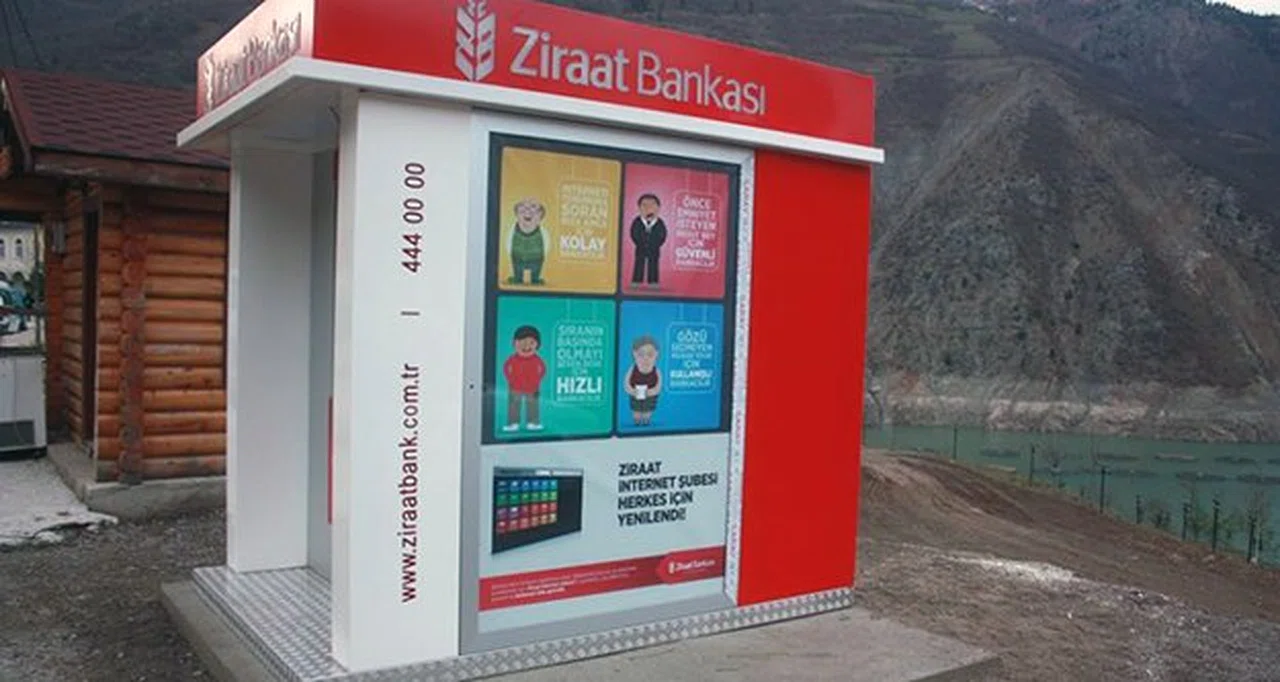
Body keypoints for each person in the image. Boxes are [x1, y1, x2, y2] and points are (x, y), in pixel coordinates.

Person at [503, 325, 546, 432]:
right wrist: (510, 379)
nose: (526, 346)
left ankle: (533, 422)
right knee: (514, 404)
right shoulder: (513, 359)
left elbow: (543, 369)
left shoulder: (537, 359)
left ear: (537, 345)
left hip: (533, 386)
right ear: (514, 344)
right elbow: (506, 368)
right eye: (522, 342)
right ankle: (513, 423)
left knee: (533, 405)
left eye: (531, 343)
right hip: (515, 386)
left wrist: (537, 380)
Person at [507, 198, 550, 286]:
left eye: (533, 207)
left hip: (536, 258)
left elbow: (546, 245)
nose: (527, 210)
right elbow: (508, 243)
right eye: (522, 208)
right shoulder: (513, 231)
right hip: (517, 257)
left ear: (540, 216)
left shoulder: (542, 232)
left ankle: (535, 279)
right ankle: (518, 278)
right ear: (516, 214)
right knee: (517, 267)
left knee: (536, 268)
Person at [629, 194, 667, 288]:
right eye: (644, 205)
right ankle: (637, 281)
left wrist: (656, 244)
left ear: (658, 208)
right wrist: (639, 242)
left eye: (652, 205)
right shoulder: (637, 221)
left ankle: (653, 282)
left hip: (654, 249)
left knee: (653, 264)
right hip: (640, 248)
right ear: (639, 208)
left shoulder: (659, 223)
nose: (648, 208)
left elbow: (663, 235)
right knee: (639, 263)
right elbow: (633, 234)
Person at [624, 335, 662, 426]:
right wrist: (631, 391)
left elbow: (658, 386)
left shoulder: (656, 371)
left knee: (648, 409)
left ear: (656, 355)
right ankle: (636, 419)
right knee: (636, 410)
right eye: (641, 354)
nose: (646, 358)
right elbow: (626, 383)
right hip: (635, 393)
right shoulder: (632, 369)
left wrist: (652, 391)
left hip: (650, 395)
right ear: (634, 354)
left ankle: (646, 419)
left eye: (650, 354)